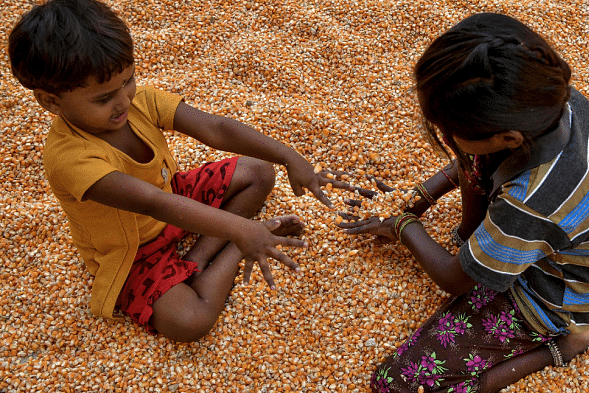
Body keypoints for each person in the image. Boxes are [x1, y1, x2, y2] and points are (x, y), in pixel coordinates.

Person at [7, 0, 349, 342]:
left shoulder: (140, 102)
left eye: (130, 81)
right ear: (50, 101)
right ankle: (237, 246)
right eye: (103, 98)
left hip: (174, 195)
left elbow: (215, 129)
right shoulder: (69, 158)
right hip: (133, 249)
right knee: (189, 322)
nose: (124, 101)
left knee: (259, 172)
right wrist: (242, 230)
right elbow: (153, 203)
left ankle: (199, 259)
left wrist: (288, 155)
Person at [339, 13, 589, 393]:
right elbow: (472, 160)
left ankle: (566, 345)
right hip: (569, 246)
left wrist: (403, 226)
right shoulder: (551, 101)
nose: (445, 138)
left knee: (396, 384)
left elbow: (454, 281)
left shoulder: (529, 202)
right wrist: (421, 198)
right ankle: (472, 239)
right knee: (476, 159)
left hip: (558, 296)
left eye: (451, 132)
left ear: (510, 138)